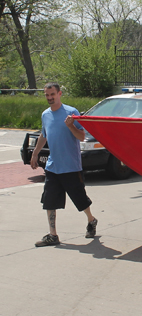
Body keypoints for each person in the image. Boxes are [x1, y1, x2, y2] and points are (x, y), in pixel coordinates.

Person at [31, 82, 97, 247]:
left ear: (59, 94)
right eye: (47, 95)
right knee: (49, 200)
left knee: (80, 199)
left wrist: (71, 126)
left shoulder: (71, 112)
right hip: (53, 166)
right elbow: (43, 135)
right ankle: (53, 235)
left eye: (52, 94)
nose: (49, 98)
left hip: (71, 166)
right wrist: (35, 152)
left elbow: (81, 136)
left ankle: (91, 219)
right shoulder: (45, 114)